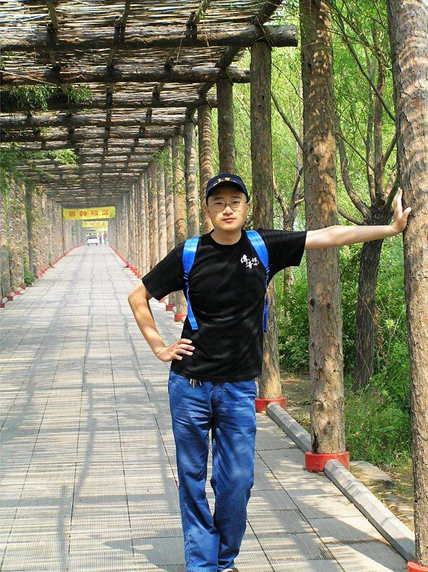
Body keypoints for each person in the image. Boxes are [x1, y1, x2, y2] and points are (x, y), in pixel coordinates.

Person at [128, 173, 411, 572]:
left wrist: (390, 229)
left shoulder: (263, 246)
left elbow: (329, 235)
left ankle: (223, 556)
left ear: (247, 207)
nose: (227, 208)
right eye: (218, 202)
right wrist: (160, 346)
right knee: (191, 477)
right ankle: (206, 565)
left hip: (239, 388)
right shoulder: (189, 253)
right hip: (190, 385)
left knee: (237, 480)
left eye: (235, 201)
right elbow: (138, 295)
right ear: (207, 210)